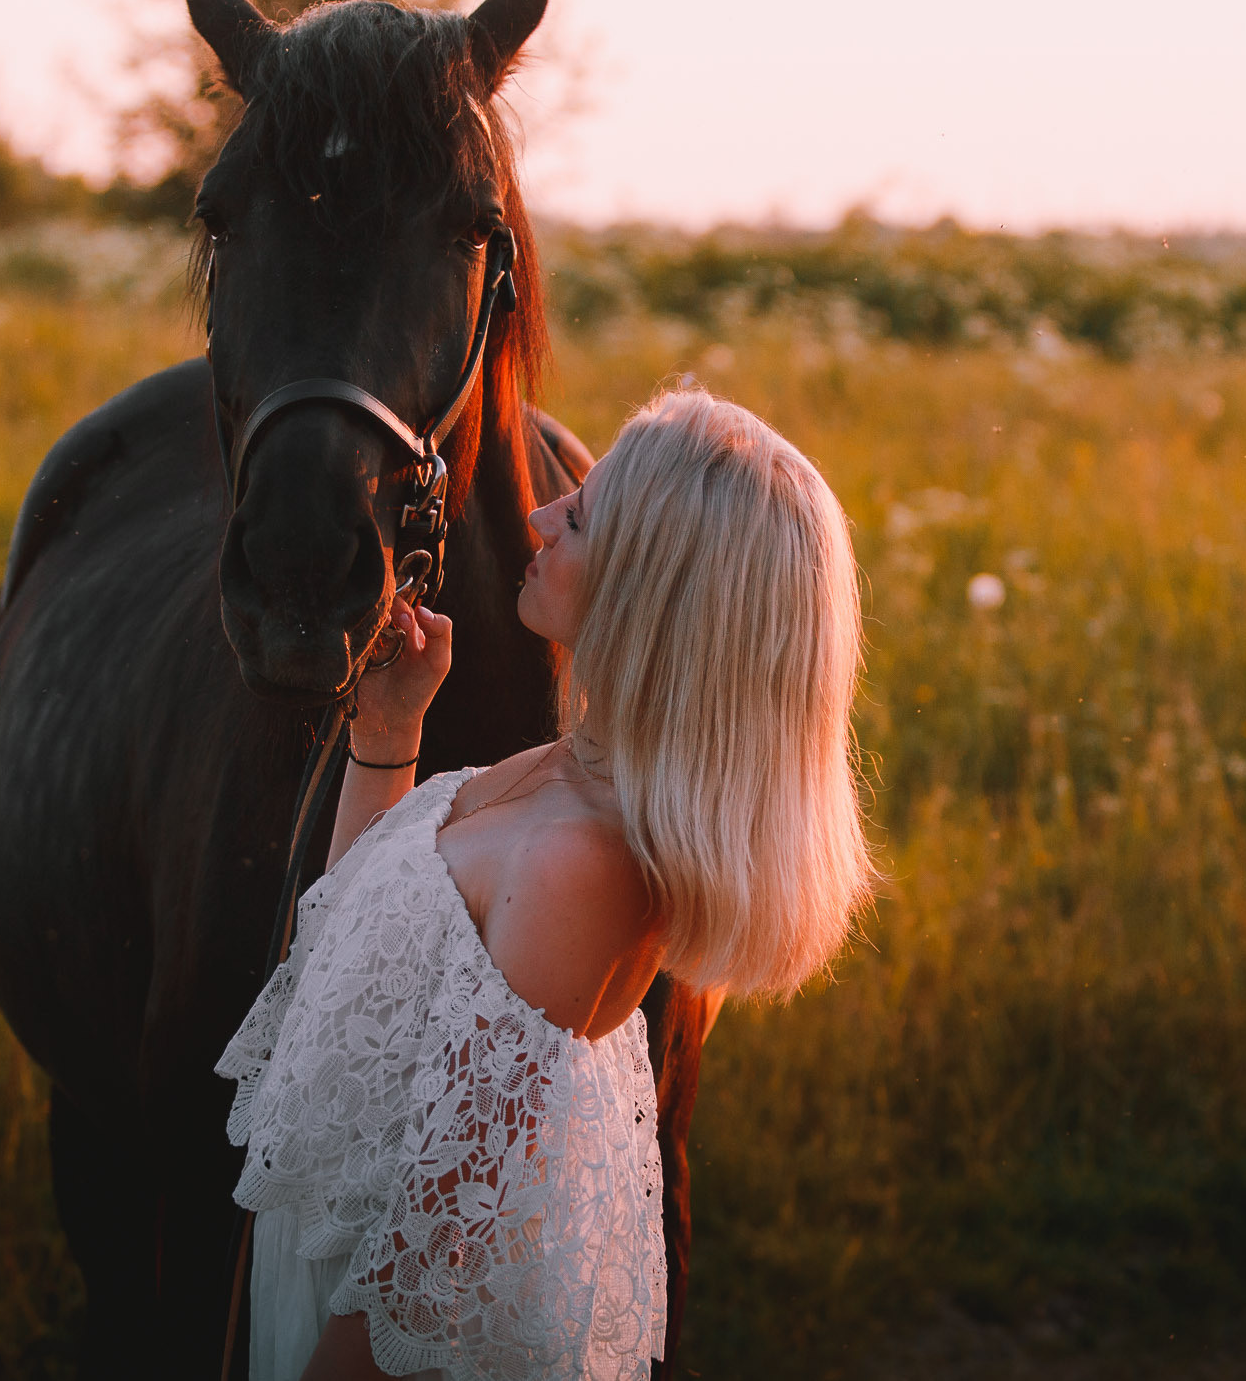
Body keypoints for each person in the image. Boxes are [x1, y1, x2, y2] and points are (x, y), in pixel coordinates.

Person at [217, 387, 874, 1380]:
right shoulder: (563, 772)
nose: (536, 518)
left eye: (578, 516)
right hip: (340, 1285)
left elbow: (430, 1265)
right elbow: (351, 941)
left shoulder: (588, 867)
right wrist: (389, 734)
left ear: (654, 589)